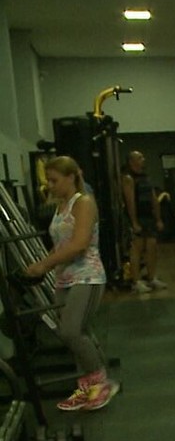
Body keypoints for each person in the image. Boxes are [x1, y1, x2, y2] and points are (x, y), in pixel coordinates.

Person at [25, 156, 120, 411]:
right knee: (75, 334)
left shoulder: (84, 202)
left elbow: (79, 244)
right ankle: (88, 387)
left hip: (87, 275)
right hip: (64, 278)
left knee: (71, 331)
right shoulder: (60, 206)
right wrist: (44, 265)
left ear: (71, 177)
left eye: (55, 180)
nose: (50, 186)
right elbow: (60, 244)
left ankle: (101, 384)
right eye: (49, 181)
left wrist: (44, 265)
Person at [121, 151, 167, 294]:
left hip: (149, 217)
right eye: (140, 157)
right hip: (138, 217)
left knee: (152, 247)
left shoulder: (145, 177)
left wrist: (158, 218)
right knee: (137, 249)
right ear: (132, 161)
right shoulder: (128, 178)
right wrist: (134, 222)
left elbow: (153, 198)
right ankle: (136, 281)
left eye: (143, 156)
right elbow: (130, 201)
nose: (143, 159)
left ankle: (152, 277)